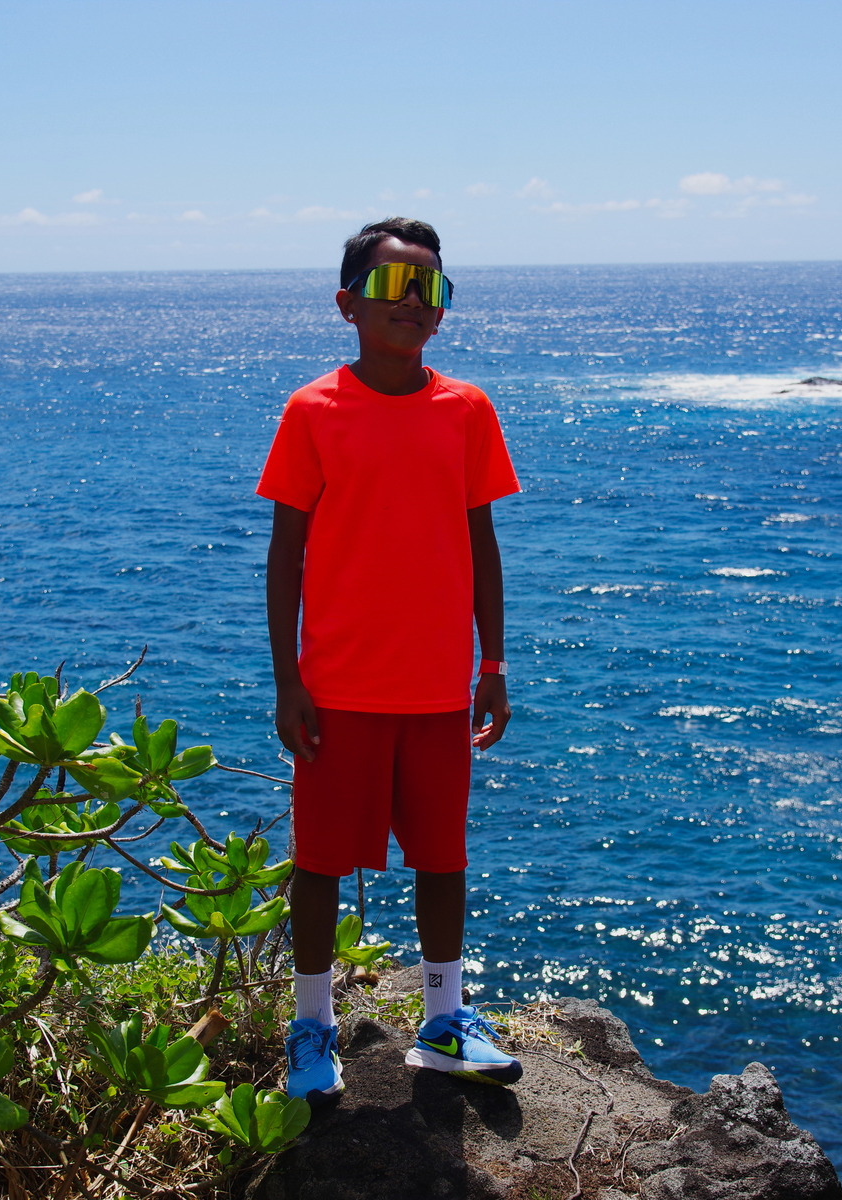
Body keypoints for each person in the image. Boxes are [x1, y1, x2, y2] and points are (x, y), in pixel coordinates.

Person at [257, 217, 523, 1103]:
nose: (413, 302)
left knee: (443, 859)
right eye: (393, 285)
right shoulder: (313, 410)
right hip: (339, 686)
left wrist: (493, 666)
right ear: (348, 304)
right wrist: (288, 680)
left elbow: (482, 545)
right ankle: (312, 1028)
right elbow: (285, 555)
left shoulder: (467, 409)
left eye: (430, 287)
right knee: (321, 864)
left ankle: (444, 1022)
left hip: (438, 687)